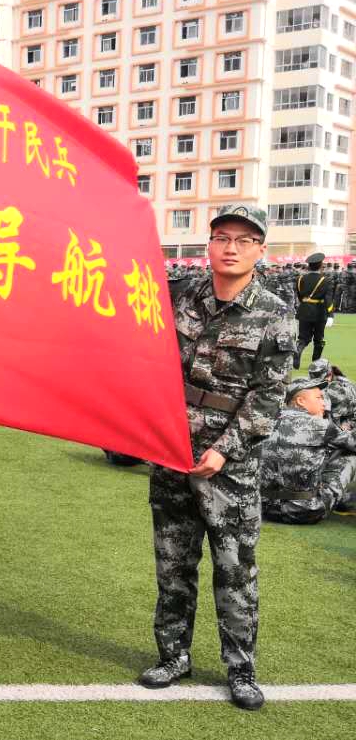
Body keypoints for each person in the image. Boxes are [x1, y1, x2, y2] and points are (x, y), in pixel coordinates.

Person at [139, 207, 295, 712]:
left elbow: (268, 397)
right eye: (222, 237)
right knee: (173, 563)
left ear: (260, 251)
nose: (231, 248)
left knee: (235, 570)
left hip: (231, 464)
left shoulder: (274, 313)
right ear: (207, 245)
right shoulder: (180, 297)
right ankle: (173, 656)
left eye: (244, 240)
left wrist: (224, 451)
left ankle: (241, 669)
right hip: (172, 451)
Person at [259, 378, 356, 524]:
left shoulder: (266, 419)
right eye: (318, 398)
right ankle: (346, 501)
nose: (324, 403)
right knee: (349, 456)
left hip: (264, 508)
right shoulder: (320, 425)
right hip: (305, 511)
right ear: (300, 401)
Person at [294, 252, 334, 367]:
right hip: (319, 313)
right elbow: (328, 299)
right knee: (318, 339)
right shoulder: (325, 280)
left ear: (309, 266)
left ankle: (298, 351)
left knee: (302, 338)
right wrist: (330, 314)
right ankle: (316, 363)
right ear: (321, 265)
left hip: (304, 311)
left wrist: (306, 304)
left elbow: (300, 296)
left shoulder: (300, 279)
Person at [308, 359, 356, 431]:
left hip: (348, 418)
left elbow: (335, 417)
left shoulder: (341, 389)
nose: (316, 384)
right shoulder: (318, 384)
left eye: (319, 381)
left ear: (330, 375)